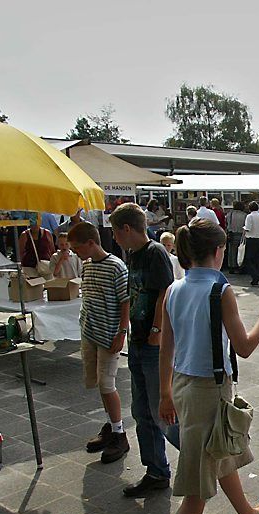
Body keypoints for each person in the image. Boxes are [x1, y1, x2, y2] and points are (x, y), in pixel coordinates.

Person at [158, 218, 259, 514]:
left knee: (219, 451)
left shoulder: (174, 289)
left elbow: (166, 346)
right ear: (218, 250)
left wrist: (164, 392)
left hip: (182, 383)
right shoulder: (220, 289)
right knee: (198, 482)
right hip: (209, 389)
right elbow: (243, 346)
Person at [108, 204, 180, 497]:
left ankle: (198, 455)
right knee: (141, 410)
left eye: (114, 231)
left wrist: (156, 330)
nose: (113, 238)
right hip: (137, 342)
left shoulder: (154, 252)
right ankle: (156, 470)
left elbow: (166, 290)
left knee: (159, 410)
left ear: (126, 229)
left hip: (151, 344)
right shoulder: (133, 253)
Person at [67, 222, 131, 464]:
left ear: (91, 243)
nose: (75, 252)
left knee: (107, 383)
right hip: (91, 332)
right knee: (98, 382)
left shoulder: (116, 266)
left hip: (109, 333)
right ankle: (112, 425)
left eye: (77, 247)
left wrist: (121, 332)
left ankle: (119, 433)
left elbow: (125, 301)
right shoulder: (87, 266)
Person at [243, 201, 259, 286]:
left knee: (248, 259)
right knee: (257, 259)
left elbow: (248, 228)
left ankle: (255, 275)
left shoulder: (249, 216)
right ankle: (256, 276)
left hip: (251, 239)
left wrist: (244, 228)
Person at [225, 200, 247, 274]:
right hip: (241, 235)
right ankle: (240, 266)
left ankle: (232, 266)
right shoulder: (244, 215)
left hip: (232, 234)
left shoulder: (229, 214)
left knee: (231, 251)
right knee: (241, 251)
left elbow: (227, 223)